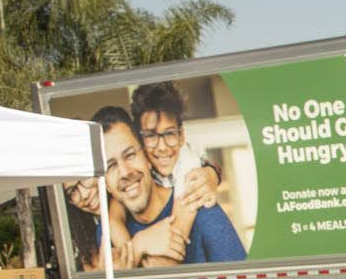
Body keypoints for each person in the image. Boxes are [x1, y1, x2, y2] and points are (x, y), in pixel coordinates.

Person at [79, 106, 246, 267]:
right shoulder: (108, 232)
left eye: (129, 155)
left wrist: (212, 173)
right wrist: (140, 243)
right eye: (111, 166)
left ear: (147, 157)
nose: (124, 172)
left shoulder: (200, 207)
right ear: (104, 182)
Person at [131, 82, 224, 203]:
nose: (162, 147)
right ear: (139, 139)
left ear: (181, 136)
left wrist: (213, 174)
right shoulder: (134, 173)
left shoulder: (190, 166)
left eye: (169, 133)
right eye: (151, 135)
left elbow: (207, 167)